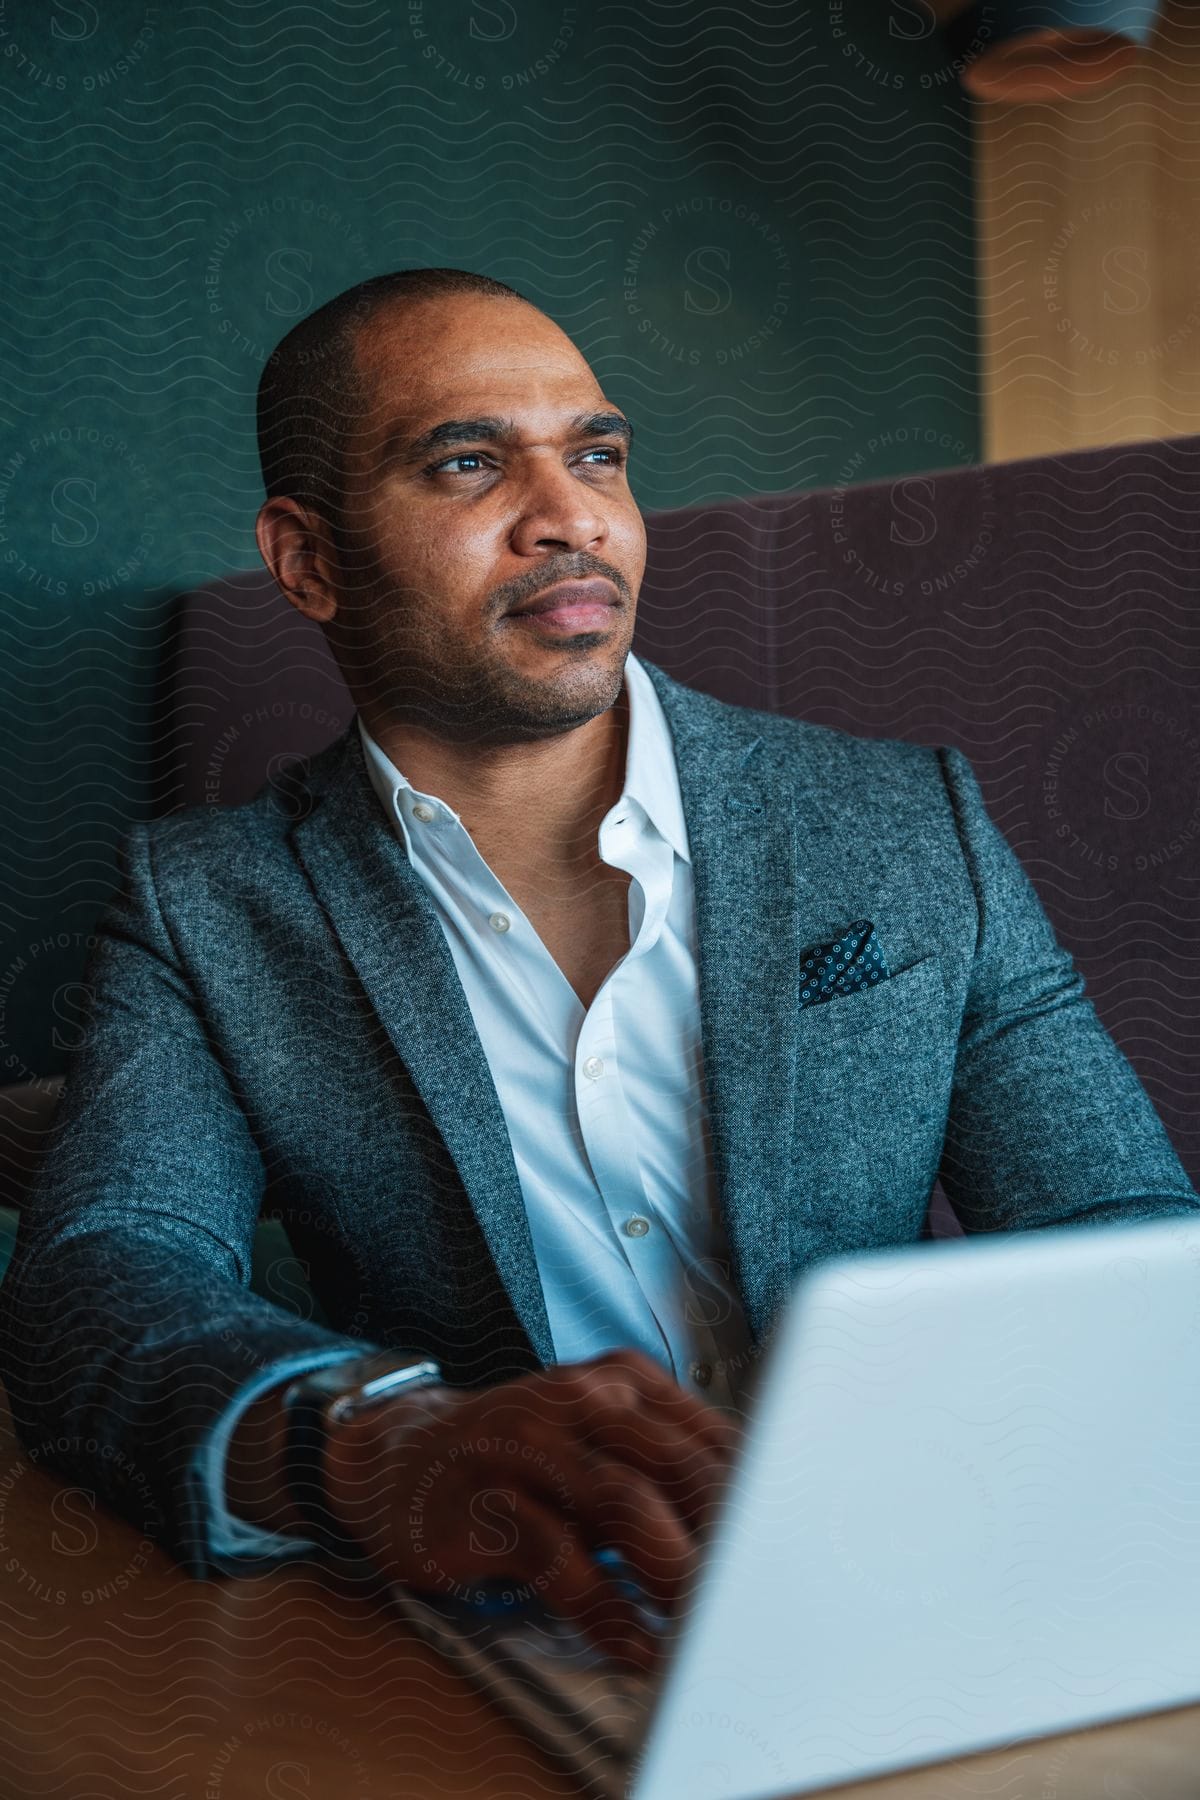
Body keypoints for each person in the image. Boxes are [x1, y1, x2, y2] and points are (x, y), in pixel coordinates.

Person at [2, 268, 1196, 1673]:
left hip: (932, 1574)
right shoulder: (208, 906)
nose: (571, 515)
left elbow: (1128, 1236)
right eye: (466, 463)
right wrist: (385, 1451)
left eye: (598, 456)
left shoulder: (902, 825)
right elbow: (104, 1281)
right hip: (541, 1630)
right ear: (307, 562)